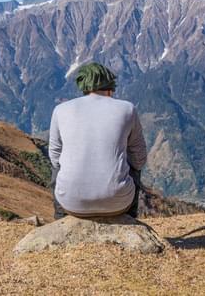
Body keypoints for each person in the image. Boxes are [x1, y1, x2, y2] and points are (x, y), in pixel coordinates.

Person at [48, 62, 147, 219]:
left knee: (57, 167)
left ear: (83, 86)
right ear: (110, 86)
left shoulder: (60, 110)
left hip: (71, 204)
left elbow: (54, 158)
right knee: (132, 160)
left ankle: (61, 218)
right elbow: (139, 160)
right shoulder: (127, 109)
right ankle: (129, 220)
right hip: (118, 203)